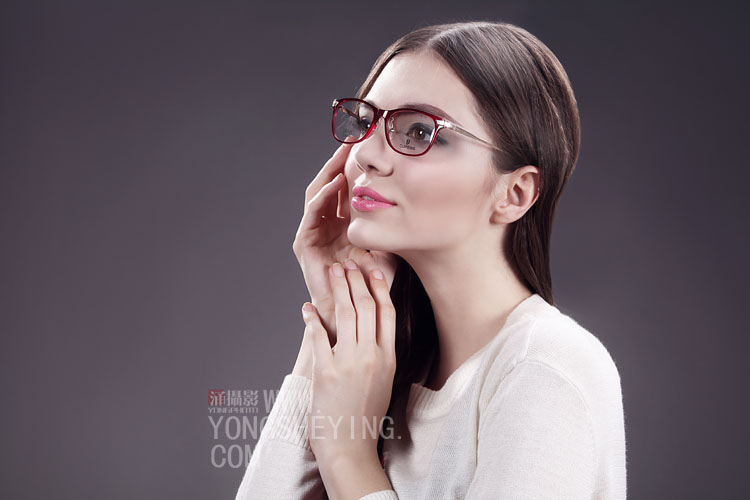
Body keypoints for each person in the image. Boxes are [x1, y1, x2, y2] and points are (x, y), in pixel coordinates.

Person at [235, 20, 627, 500]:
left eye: (419, 131)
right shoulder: (387, 372)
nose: (366, 155)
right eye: (365, 122)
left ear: (515, 193)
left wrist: (349, 457)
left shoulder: (545, 367)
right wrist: (333, 317)